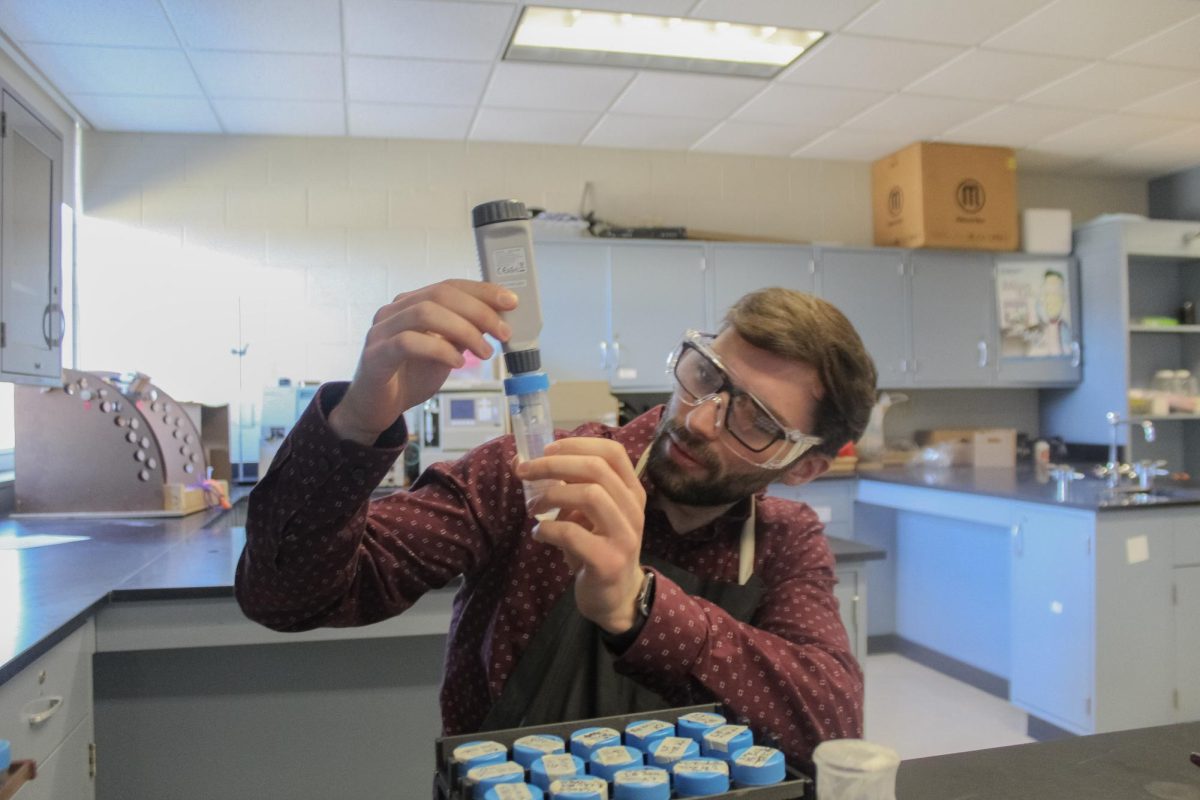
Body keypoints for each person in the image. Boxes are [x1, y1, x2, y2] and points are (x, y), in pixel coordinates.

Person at [235, 279, 878, 767]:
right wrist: (355, 423)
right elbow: (288, 596)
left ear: (804, 466)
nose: (702, 417)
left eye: (757, 420)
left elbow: (831, 721)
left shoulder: (783, 539)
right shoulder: (538, 469)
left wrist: (639, 607)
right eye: (707, 376)